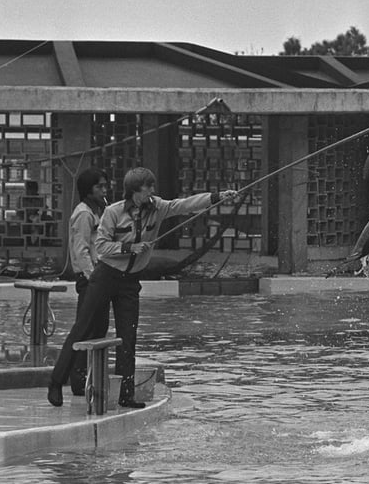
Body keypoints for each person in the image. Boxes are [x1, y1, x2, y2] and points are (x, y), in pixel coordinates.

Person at [48, 167, 237, 408]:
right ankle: (55, 381)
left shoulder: (158, 207)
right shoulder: (113, 212)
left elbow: (185, 204)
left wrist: (217, 197)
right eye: (147, 187)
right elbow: (103, 246)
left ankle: (127, 395)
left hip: (130, 282)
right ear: (135, 191)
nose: (152, 190)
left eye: (152, 186)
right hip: (105, 276)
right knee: (82, 328)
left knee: (128, 337)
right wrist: (128, 249)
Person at [67, 168, 111, 397]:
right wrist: (92, 277)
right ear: (87, 191)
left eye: (105, 186)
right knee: (86, 329)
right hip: (90, 280)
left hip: (100, 278)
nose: (104, 190)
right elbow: (81, 250)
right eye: (99, 187)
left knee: (99, 329)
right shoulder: (84, 214)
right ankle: (78, 378)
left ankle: (91, 377)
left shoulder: (99, 212)